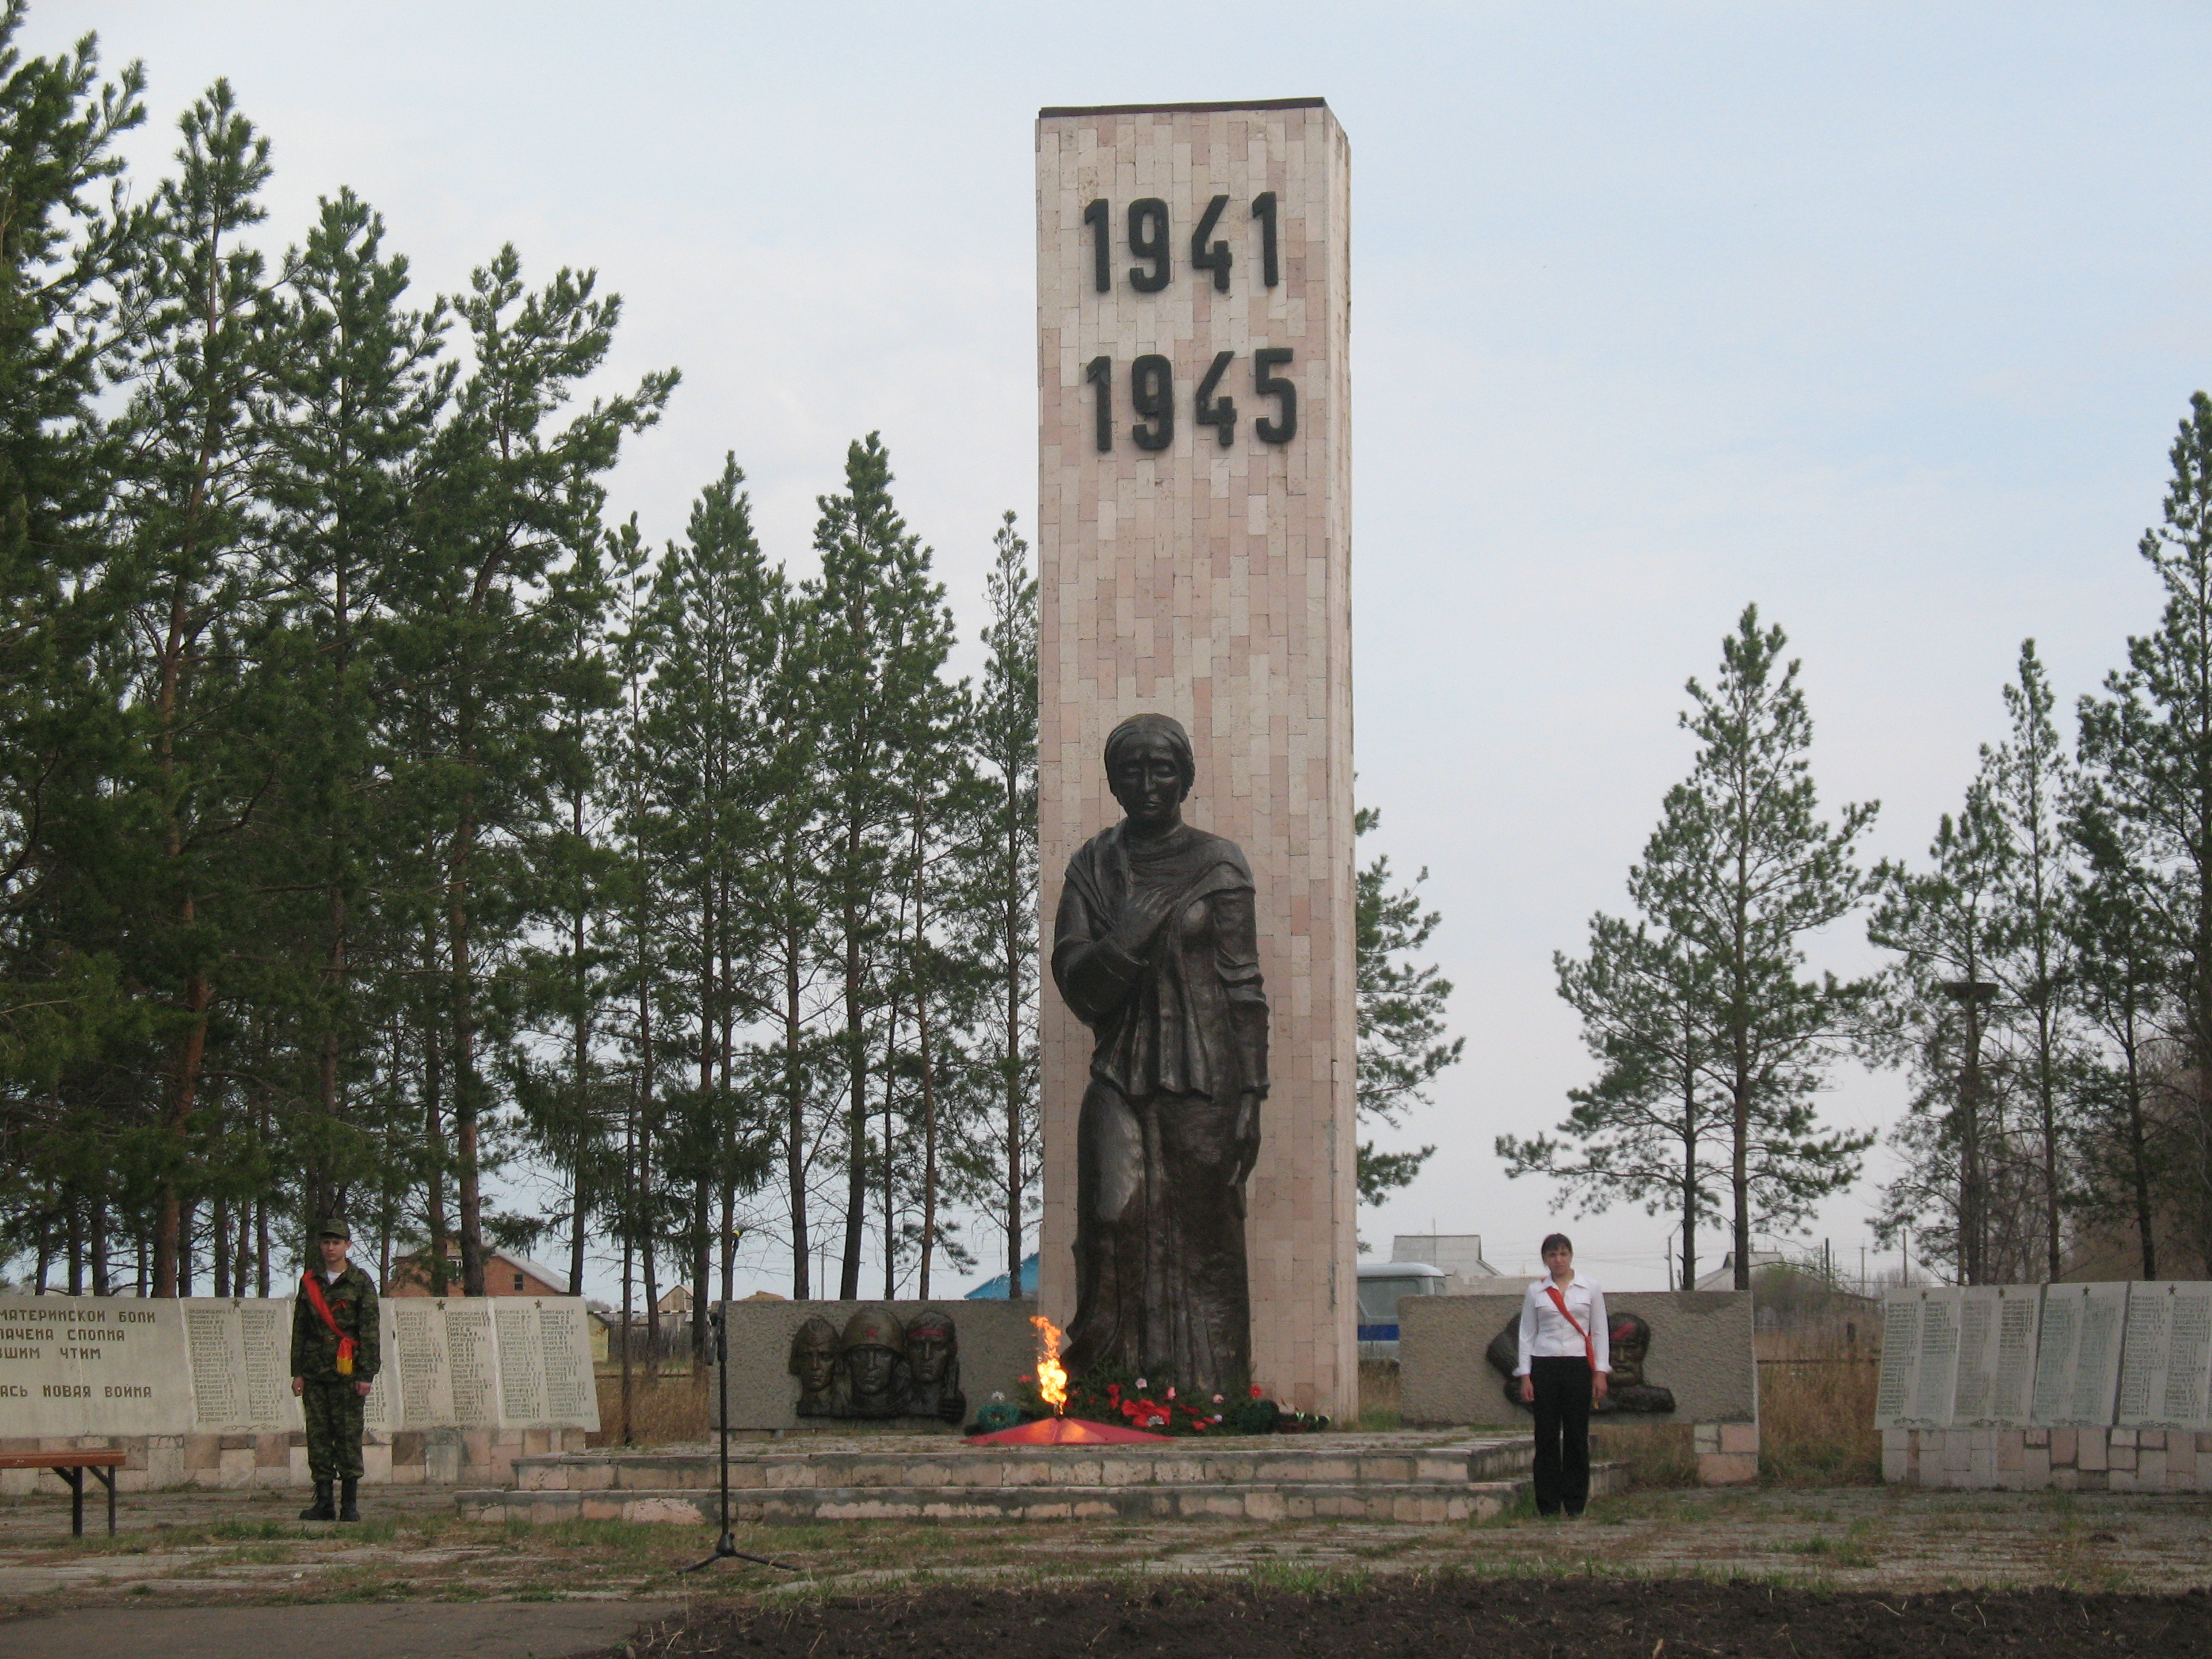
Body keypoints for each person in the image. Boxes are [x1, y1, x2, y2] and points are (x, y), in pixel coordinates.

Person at [1053, 713, 1268, 1398]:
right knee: (1114, 1217)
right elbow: (1079, 987)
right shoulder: (1092, 867)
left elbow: (1243, 990)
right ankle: (1110, 1389)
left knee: (1205, 1240)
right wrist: (1124, 941)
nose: (1147, 782)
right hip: (1120, 1069)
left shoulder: (1219, 863)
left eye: (1162, 768)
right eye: (1133, 769)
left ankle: (1211, 1397)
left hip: (1206, 1082)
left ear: (1185, 777)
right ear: (1114, 779)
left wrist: (1251, 1101)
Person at [289, 1217, 380, 1522]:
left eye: (336, 1243)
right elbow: (300, 1329)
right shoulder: (310, 1282)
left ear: (347, 1246)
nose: (331, 1248)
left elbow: (369, 1330)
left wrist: (366, 1374)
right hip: (315, 1370)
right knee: (318, 1435)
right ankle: (324, 1501)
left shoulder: (360, 1281)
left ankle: (350, 1504)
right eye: (326, 1242)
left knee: (347, 1434)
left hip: (347, 1370)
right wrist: (298, 1371)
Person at [1513, 1233, 1608, 1518]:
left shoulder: (1590, 1288)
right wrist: (1525, 1376)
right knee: (1546, 1437)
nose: (1559, 1260)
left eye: (1564, 1254)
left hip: (1578, 1366)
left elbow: (1600, 1331)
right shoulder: (1536, 1292)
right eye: (1553, 1255)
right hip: (1545, 1366)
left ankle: (1576, 1503)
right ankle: (1548, 1505)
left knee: (1577, 1436)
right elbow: (1526, 1335)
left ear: (1571, 1256)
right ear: (1545, 1259)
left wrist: (1600, 1372)